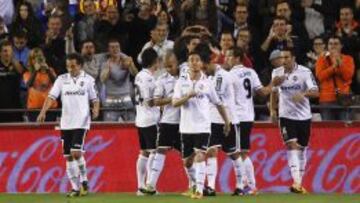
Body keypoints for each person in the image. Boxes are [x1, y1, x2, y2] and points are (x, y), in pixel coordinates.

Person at [37, 53, 100, 197]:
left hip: (82, 121)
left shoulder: (88, 80)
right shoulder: (61, 80)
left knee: (76, 152)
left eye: (73, 66)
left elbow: (95, 98)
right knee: (68, 157)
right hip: (65, 123)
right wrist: (43, 112)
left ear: (80, 65)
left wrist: (95, 109)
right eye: (68, 66)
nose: (70, 68)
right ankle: (75, 188)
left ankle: (84, 180)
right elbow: (51, 97)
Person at [172, 48, 230, 199]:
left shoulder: (208, 83)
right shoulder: (181, 82)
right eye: (191, 60)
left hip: (203, 126)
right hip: (185, 127)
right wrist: (187, 96)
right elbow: (175, 103)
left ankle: (199, 190)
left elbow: (218, 103)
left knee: (200, 155)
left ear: (202, 63)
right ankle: (194, 185)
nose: (194, 63)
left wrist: (227, 121)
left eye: (197, 60)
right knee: (187, 162)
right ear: (188, 63)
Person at [228, 46, 276, 195]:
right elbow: (262, 92)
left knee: (238, 152)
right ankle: (252, 186)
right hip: (248, 116)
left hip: (236, 117)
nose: (227, 59)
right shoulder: (251, 72)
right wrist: (273, 83)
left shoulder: (230, 75)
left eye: (229, 56)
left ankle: (243, 186)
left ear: (237, 58)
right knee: (242, 152)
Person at [270, 48, 319, 194]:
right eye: (282, 58)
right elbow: (273, 93)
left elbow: (316, 91)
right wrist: (273, 110)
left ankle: (300, 183)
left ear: (293, 58)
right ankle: (296, 182)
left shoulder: (305, 72)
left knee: (302, 148)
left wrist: (303, 94)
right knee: (291, 145)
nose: (283, 60)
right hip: (285, 115)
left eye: (286, 57)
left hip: (304, 116)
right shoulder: (277, 73)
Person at [195, 43, 237, 197]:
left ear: (209, 63)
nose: (203, 71)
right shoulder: (211, 76)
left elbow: (216, 99)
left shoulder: (221, 76)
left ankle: (241, 185)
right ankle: (212, 187)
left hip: (222, 119)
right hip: (215, 119)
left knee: (231, 153)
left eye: (204, 67)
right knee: (216, 152)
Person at [142, 51, 183, 194]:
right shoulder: (161, 80)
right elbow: (156, 101)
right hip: (168, 120)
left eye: (170, 66)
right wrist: (174, 99)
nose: (168, 69)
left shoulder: (187, 75)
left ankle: (196, 185)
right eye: (166, 67)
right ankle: (151, 185)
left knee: (189, 155)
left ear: (177, 62)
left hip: (186, 122)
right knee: (160, 150)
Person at [134, 48, 160, 195]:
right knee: (154, 152)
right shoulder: (149, 78)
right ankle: (149, 186)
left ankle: (140, 186)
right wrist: (167, 100)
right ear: (155, 62)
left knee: (144, 152)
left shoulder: (139, 75)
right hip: (150, 119)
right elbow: (150, 102)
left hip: (140, 118)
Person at [315, 36, 354, 120]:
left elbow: (348, 76)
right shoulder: (321, 59)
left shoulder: (348, 59)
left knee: (345, 128)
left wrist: (341, 64)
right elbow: (320, 77)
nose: (333, 46)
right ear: (327, 46)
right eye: (330, 44)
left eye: (336, 44)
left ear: (341, 46)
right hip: (326, 99)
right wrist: (333, 67)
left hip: (344, 98)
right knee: (328, 129)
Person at [100, 39, 138, 122]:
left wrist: (131, 64)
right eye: (112, 47)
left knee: (132, 128)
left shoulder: (126, 61)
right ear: (108, 50)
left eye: (117, 47)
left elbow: (135, 74)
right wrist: (108, 69)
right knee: (109, 129)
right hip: (111, 102)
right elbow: (102, 79)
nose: (115, 49)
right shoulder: (105, 64)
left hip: (126, 100)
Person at [23, 48, 57, 122]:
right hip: (34, 109)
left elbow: (57, 84)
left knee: (50, 132)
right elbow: (29, 85)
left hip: (50, 108)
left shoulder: (50, 71)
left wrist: (48, 70)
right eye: (34, 58)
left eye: (39, 57)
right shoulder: (27, 73)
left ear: (44, 58)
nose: (37, 60)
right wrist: (36, 71)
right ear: (31, 61)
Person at [0, 40, 23, 123]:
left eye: (9, 51)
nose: (7, 53)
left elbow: (21, 71)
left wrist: (12, 58)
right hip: (1, 107)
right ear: (0, 53)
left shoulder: (17, 64)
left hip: (15, 106)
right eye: (5, 51)